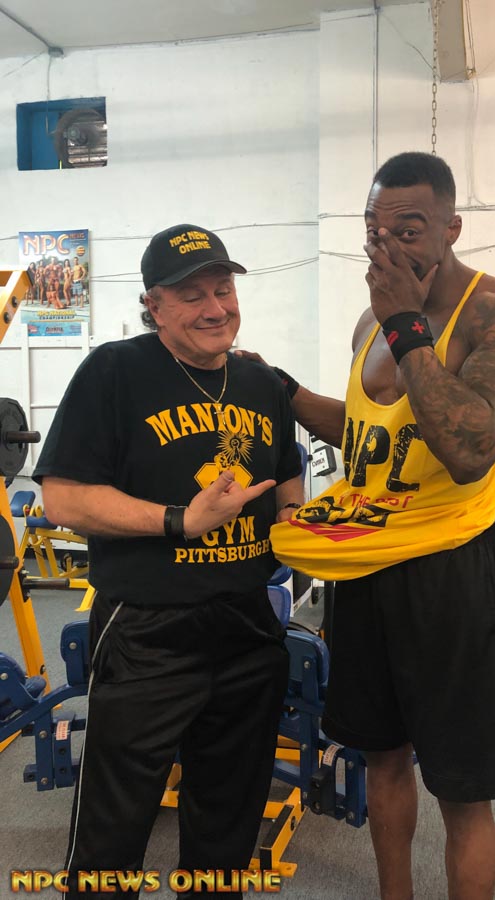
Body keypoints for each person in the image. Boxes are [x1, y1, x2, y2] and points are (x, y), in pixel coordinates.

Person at [261, 152, 495, 900]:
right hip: (366, 562)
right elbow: (370, 435)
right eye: (374, 230)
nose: (385, 247)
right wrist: (285, 390)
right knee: (381, 758)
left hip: (449, 571)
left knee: (461, 786)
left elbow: (466, 446)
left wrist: (406, 325)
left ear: (452, 228)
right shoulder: (370, 320)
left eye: (409, 230)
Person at [33, 223, 305, 899]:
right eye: (192, 296)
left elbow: (286, 470)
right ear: (154, 305)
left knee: (228, 823)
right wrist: (180, 520)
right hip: (148, 630)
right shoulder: (115, 372)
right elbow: (63, 498)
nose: (216, 308)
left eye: (224, 289)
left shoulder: (260, 381)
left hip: (248, 627)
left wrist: (296, 518)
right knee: (113, 827)